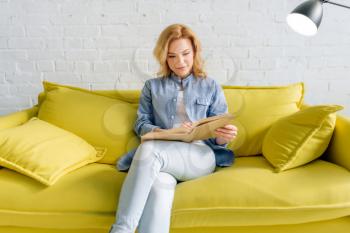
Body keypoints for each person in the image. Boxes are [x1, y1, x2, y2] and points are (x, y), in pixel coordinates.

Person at [109, 23, 238, 233]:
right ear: (164, 58)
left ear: (195, 52)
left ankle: (120, 230)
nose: (180, 62)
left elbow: (218, 131)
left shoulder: (211, 85)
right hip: (163, 157)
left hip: (199, 155)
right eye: (172, 56)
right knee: (159, 188)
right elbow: (141, 124)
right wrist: (166, 133)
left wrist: (224, 137)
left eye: (185, 53)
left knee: (149, 151)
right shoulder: (152, 86)